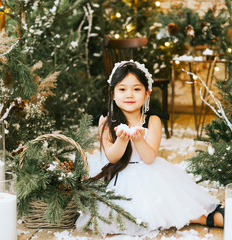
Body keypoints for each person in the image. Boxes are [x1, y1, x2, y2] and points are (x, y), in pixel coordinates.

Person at [76, 60, 224, 236]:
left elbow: (149, 158)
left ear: (147, 94)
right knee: (122, 213)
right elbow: (112, 157)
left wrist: (138, 139)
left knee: (166, 203)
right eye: (122, 89)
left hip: (147, 171)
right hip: (115, 174)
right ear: (113, 94)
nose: (129, 94)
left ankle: (201, 216)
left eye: (136, 89)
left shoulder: (152, 120)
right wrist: (122, 140)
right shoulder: (106, 120)